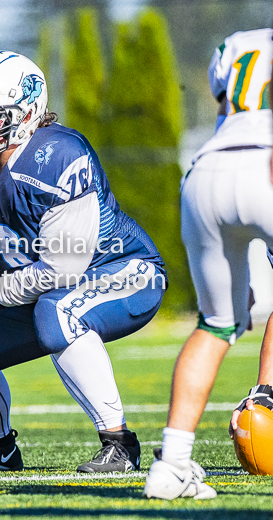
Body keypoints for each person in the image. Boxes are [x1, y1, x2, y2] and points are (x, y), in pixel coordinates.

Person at [0, 50, 167, 474]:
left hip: (122, 271)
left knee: (57, 310)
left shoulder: (58, 154)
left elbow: (63, 269)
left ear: (26, 112)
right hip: (39, 286)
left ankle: (119, 443)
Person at [143, 28, 273, 500]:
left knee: (216, 325)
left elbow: (228, 106)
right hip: (267, 159)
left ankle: (171, 465)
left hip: (207, 168)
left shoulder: (239, 44)